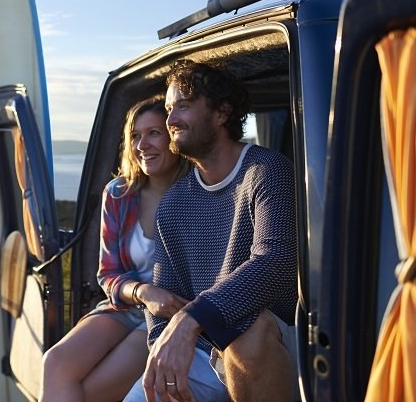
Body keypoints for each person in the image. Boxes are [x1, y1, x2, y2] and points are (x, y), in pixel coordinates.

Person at [123, 59, 298, 402]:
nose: (170, 120)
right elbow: (164, 294)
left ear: (221, 113)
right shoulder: (174, 202)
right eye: (169, 109)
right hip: (203, 347)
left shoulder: (266, 171)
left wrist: (192, 317)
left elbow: (274, 262)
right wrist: (164, 349)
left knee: (248, 333)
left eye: (182, 107)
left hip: (268, 342)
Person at [40, 96, 190, 402]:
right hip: (126, 305)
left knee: (91, 391)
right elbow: (108, 274)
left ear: (175, 137)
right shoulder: (119, 194)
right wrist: (143, 292)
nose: (142, 145)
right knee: (54, 363)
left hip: (168, 317)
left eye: (154, 133)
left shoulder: (197, 193)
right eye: (135, 135)